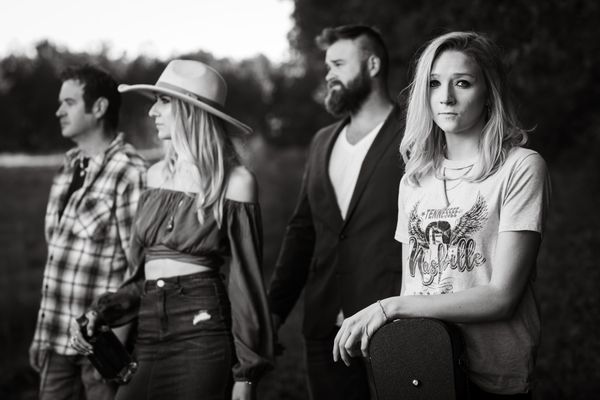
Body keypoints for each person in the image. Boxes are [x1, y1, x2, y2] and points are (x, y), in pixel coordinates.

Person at [333, 31, 551, 399]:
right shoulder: (415, 179)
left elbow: (502, 297)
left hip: (493, 378)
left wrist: (391, 307)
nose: (445, 97)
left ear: (489, 92)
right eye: (434, 83)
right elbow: (413, 285)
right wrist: (394, 341)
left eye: (462, 83)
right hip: (428, 369)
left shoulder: (521, 168)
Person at [68, 59, 274, 400]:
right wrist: (102, 312)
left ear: (190, 111)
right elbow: (141, 276)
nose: (153, 112)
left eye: (163, 101)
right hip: (149, 331)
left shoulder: (236, 182)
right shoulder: (155, 177)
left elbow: (246, 284)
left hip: (202, 331)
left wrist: (247, 375)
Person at [268, 25, 404, 400]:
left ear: (372, 65)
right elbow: (302, 232)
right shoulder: (322, 141)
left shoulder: (415, 135)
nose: (329, 74)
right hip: (326, 329)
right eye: (327, 66)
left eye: (339, 64)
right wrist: (274, 311)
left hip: (392, 321)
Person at [29, 65, 147, 400]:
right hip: (55, 340)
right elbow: (56, 261)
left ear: (99, 107)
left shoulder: (130, 172)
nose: (59, 111)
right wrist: (41, 337)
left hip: (101, 347)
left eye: (69, 102)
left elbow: (139, 271)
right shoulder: (66, 169)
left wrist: (113, 350)